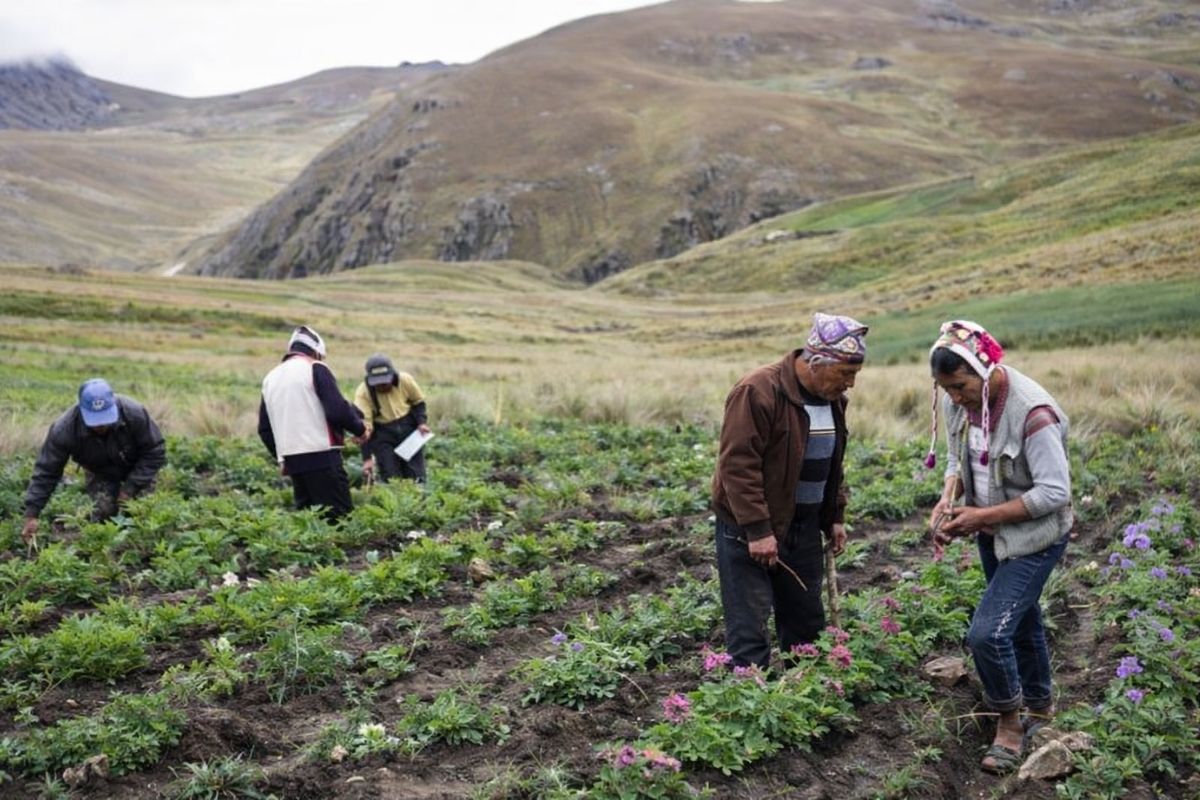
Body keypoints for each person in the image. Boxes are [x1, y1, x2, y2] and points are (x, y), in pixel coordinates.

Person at [923, 320, 1072, 774]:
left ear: (984, 371)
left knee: (987, 634)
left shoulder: (1033, 413)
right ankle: (1040, 707)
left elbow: (1055, 492)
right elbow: (956, 457)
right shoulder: (959, 403)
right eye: (946, 389)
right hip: (993, 533)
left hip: (1035, 538)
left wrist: (982, 516)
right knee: (1020, 618)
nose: (955, 398)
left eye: (960, 386)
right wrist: (948, 498)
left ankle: (1009, 723)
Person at [711, 312, 868, 669]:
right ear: (816, 363)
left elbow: (832, 462)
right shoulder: (758, 391)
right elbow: (737, 465)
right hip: (749, 532)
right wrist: (758, 530)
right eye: (846, 373)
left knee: (806, 630)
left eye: (855, 374)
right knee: (749, 632)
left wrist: (834, 516)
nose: (850, 384)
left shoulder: (833, 400)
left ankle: (803, 697)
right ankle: (750, 699)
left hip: (804, 529)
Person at [21, 378, 166, 543]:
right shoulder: (64, 430)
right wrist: (32, 514)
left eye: (105, 419)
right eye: (95, 421)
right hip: (100, 472)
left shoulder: (134, 414)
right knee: (104, 513)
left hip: (138, 468)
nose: (101, 426)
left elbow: (155, 450)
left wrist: (130, 488)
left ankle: (139, 546)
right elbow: (47, 471)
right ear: (81, 410)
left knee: (142, 514)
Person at [258, 325, 366, 521]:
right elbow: (337, 410)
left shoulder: (270, 378)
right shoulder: (315, 367)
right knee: (339, 520)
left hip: (292, 461)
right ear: (317, 352)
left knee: (310, 523)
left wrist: (282, 457)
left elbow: (264, 429)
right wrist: (360, 430)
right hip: (322, 456)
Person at [353, 354, 431, 484]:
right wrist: (367, 458)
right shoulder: (363, 392)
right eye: (378, 383)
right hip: (383, 434)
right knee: (391, 476)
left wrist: (421, 423)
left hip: (408, 428)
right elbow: (365, 428)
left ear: (392, 375)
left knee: (416, 475)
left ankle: (418, 495)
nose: (382, 386)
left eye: (385, 382)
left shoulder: (405, 380)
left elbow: (418, 402)